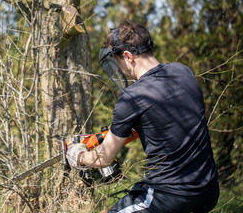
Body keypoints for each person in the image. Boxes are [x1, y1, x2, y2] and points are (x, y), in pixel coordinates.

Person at [66, 20, 219, 213]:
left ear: (128, 56)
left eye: (118, 62)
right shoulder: (183, 72)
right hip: (208, 191)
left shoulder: (132, 98)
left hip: (170, 196)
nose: (119, 69)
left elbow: (104, 158)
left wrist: (78, 156)